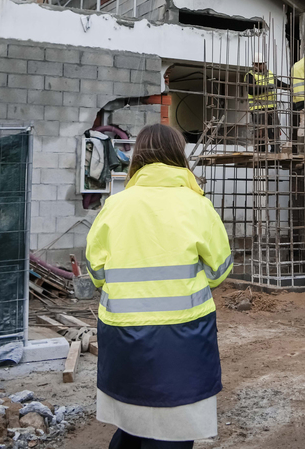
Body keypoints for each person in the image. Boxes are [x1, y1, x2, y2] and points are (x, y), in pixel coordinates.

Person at [85, 124, 233, 448]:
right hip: (183, 339)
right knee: (173, 433)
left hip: (123, 337)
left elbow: (96, 273)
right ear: (179, 157)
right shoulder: (197, 206)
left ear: (138, 158)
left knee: (131, 425)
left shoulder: (115, 206)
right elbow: (220, 270)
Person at [245, 52, 288, 152]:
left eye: (263, 64)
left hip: (271, 108)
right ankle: (261, 151)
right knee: (260, 132)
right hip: (257, 108)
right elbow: (251, 90)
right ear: (255, 65)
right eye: (260, 64)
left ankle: (275, 150)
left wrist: (289, 87)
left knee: (274, 130)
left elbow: (278, 83)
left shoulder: (270, 74)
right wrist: (266, 88)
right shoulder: (250, 75)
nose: (262, 66)